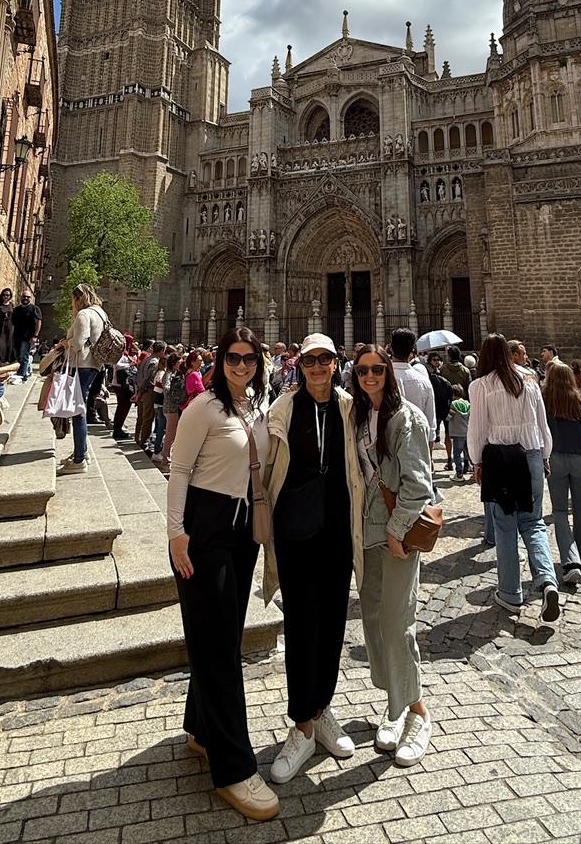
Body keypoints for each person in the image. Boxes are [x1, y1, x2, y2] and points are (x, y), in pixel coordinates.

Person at [167, 327, 278, 821]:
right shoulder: (204, 407)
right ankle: (234, 768)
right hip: (206, 527)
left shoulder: (255, 406)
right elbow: (179, 469)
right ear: (220, 360)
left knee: (224, 635)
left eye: (249, 359)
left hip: (242, 530)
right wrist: (176, 533)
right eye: (233, 358)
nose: (241, 366)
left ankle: (201, 727)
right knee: (219, 646)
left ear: (259, 363)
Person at [262, 334, 365, 783]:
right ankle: (301, 725)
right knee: (302, 623)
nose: (318, 366)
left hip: (338, 531)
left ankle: (322, 711)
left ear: (336, 362)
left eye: (325, 359)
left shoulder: (350, 407)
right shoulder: (283, 408)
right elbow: (263, 464)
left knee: (333, 622)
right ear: (299, 364)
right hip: (295, 531)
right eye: (310, 360)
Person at [351, 344, 434, 766]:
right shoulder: (357, 416)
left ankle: (418, 712)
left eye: (377, 369)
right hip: (366, 533)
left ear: (389, 371)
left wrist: (396, 528)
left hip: (395, 535)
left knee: (397, 623)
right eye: (362, 370)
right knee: (373, 620)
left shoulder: (406, 418)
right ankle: (395, 705)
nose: (370, 376)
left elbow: (420, 485)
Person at [468, 334, 559, 621]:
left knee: (505, 526)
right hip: (532, 455)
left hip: (501, 459)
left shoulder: (481, 385)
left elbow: (477, 428)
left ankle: (510, 592)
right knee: (533, 522)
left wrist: (477, 461)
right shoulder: (529, 381)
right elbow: (542, 424)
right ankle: (547, 581)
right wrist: (545, 455)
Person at [542, 360, 581, 584]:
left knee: (560, 512)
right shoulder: (579, 404)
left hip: (556, 459)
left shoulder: (545, 404)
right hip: (580, 458)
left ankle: (571, 561)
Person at [55, 283, 105, 475]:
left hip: (82, 364)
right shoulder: (100, 313)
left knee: (78, 410)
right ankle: (83, 452)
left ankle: (79, 459)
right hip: (95, 366)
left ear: (78, 298)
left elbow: (78, 342)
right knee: (80, 407)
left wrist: (64, 342)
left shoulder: (84, 314)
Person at [388, 328, 436, 440]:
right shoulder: (424, 382)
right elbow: (430, 425)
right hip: (417, 442)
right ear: (412, 351)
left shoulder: (380, 379)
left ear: (390, 349)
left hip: (387, 442)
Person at [162, 350, 204, 465]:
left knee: (174, 433)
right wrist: (176, 390)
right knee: (170, 434)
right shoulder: (169, 374)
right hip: (171, 407)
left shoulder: (180, 374)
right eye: (179, 363)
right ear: (173, 363)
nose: (181, 365)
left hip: (175, 407)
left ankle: (169, 455)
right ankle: (165, 458)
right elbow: (166, 389)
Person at [426, 353, 454, 468]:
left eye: (438, 360)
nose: (437, 362)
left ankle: (449, 459)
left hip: (442, 406)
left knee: (446, 433)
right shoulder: (435, 373)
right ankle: (432, 459)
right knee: (434, 434)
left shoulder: (441, 371)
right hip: (441, 406)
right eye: (434, 360)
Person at [134, 341, 163, 449]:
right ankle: (143, 442)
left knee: (140, 417)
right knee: (147, 418)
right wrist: (141, 390)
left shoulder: (146, 359)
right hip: (147, 391)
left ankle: (137, 438)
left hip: (141, 391)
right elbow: (147, 378)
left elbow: (137, 375)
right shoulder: (155, 362)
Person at [11, 292, 42, 383]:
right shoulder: (16, 310)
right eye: (24, 296)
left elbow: (38, 322)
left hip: (27, 337)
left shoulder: (34, 309)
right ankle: (21, 372)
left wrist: (35, 336)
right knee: (18, 356)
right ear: (21, 297)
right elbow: (12, 323)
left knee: (24, 356)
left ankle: (22, 375)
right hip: (17, 336)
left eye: (28, 297)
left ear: (30, 298)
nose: (26, 298)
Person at [110, 335, 137, 439]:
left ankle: (119, 428)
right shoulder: (119, 352)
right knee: (122, 406)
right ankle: (117, 429)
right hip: (119, 383)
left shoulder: (127, 353)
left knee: (125, 406)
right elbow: (117, 365)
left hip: (124, 383)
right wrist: (130, 364)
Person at [448, 384, 470, 481]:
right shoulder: (467, 404)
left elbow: (449, 416)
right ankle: (475, 471)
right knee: (468, 452)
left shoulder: (454, 404)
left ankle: (459, 474)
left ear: (453, 395)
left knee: (457, 454)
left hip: (457, 432)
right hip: (466, 431)